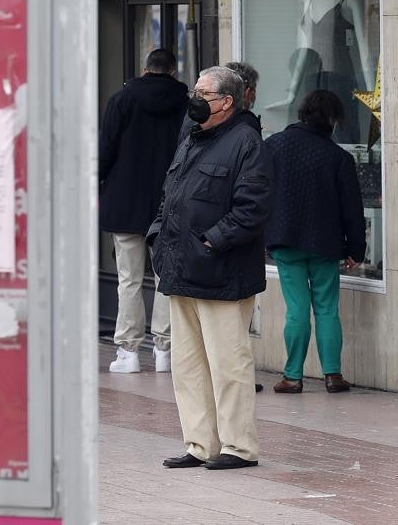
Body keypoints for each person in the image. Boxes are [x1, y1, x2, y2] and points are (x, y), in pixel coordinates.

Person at [150, 66, 272, 470]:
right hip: (180, 269)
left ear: (226, 102)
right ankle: (200, 444)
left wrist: (209, 242)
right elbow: (171, 194)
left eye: (204, 93)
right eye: (195, 90)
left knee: (228, 365)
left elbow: (251, 209)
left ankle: (238, 447)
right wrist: (157, 235)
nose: (195, 98)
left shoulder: (246, 143)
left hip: (221, 274)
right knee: (188, 366)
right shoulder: (191, 137)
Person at [264, 90, 365, 394]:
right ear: (333, 120)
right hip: (325, 243)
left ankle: (292, 376)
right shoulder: (338, 157)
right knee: (326, 308)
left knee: (296, 308)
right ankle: (332, 375)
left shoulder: (273, 146)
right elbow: (352, 209)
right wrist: (356, 250)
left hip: (285, 240)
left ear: (302, 113)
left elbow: (258, 192)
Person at [99, 48, 188, 373]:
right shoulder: (185, 103)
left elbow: (104, 150)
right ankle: (165, 349)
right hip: (169, 204)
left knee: (129, 279)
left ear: (144, 69)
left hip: (124, 202)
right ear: (173, 71)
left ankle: (129, 351)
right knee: (166, 278)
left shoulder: (122, 100)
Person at [224, 60, 267, 394]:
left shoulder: (245, 136)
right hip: (217, 251)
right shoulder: (246, 134)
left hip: (226, 247)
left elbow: (251, 202)